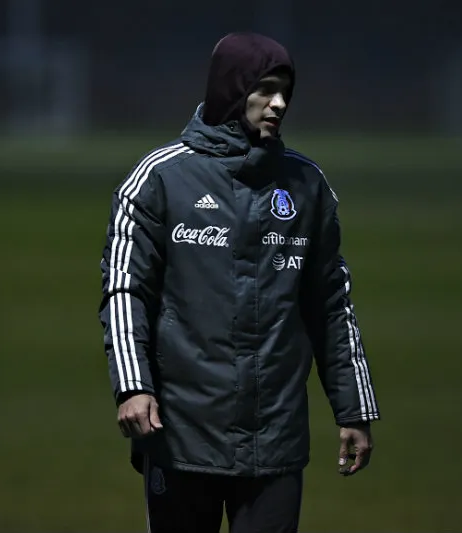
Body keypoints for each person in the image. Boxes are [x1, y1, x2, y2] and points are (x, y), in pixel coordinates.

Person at [97, 32, 380, 533]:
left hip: (275, 442)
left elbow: (332, 307)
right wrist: (133, 387)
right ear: (231, 88)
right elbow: (125, 290)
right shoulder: (159, 178)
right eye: (266, 89)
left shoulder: (307, 186)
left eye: (286, 92)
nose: (279, 104)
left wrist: (354, 408)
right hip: (180, 436)